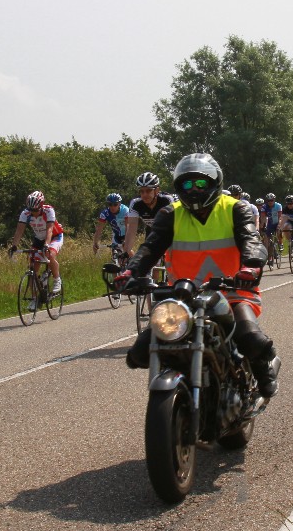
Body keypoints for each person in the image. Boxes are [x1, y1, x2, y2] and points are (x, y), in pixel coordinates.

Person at [115, 153, 280, 398]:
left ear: (214, 183)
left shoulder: (235, 208)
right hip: (184, 297)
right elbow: (151, 247)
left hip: (233, 292)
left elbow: (251, 240)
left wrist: (252, 266)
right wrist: (130, 272)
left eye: (200, 183)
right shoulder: (170, 214)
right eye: (187, 184)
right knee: (139, 352)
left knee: (250, 338)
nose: (193, 190)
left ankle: (264, 369)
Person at [7, 190, 65, 300]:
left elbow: (49, 230)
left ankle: (57, 279)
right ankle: (34, 298)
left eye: (35, 210)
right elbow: (19, 231)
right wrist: (14, 246)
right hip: (39, 239)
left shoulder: (49, 211)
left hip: (54, 236)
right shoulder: (25, 214)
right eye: (31, 210)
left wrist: (47, 245)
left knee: (50, 255)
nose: (33, 213)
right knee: (32, 267)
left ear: (41, 206)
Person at [125, 172, 174, 257]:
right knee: (148, 258)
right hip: (152, 230)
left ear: (156, 190)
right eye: (141, 191)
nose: (144, 194)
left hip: (171, 230)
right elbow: (131, 229)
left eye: (148, 190)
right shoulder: (135, 204)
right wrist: (126, 252)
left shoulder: (167, 201)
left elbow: (173, 226)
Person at [92, 193, 129, 259]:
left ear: (119, 204)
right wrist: (95, 243)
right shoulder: (105, 213)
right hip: (116, 235)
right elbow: (99, 230)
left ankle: (135, 262)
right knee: (115, 255)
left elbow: (128, 227)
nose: (112, 207)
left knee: (127, 251)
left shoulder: (125, 211)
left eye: (115, 204)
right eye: (110, 204)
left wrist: (126, 240)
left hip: (127, 233)